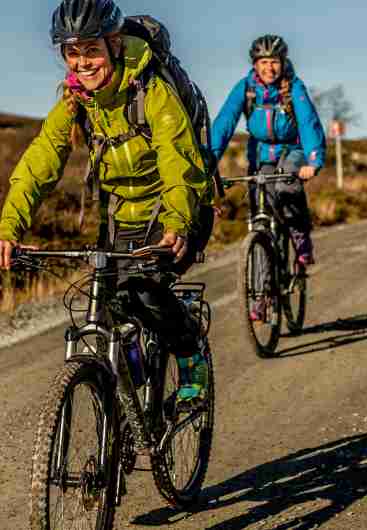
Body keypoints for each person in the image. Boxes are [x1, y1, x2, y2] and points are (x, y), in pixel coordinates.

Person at [0, 0, 212, 408]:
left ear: (114, 44)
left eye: (91, 50)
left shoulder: (153, 91)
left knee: (145, 292)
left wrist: (178, 221)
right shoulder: (75, 101)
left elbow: (177, 158)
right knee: (109, 303)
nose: (82, 63)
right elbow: (41, 159)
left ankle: (190, 353)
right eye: (72, 52)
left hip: (175, 208)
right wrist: (10, 227)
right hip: (119, 217)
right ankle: (133, 399)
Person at [211, 34, 326, 267]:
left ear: (282, 62)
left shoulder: (293, 87)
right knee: (259, 199)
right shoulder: (245, 88)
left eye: (274, 61)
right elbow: (224, 122)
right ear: (255, 65)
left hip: (293, 150)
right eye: (263, 62)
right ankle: (261, 287)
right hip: (261, 152)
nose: (269, 68)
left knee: (286, 187)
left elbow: (308, 123)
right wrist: (208, 161)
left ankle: (300, 237)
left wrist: (313, 161)